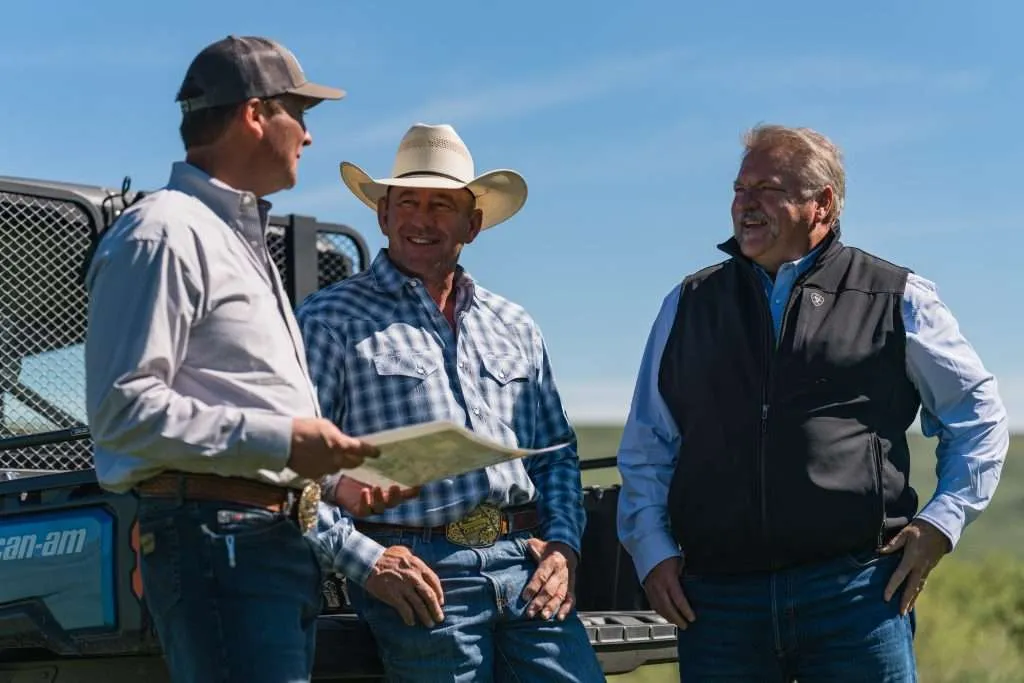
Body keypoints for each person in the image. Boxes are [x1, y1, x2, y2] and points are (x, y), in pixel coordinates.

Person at [616, 123, 1009, 682]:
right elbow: (649, 443)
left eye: (765, 189)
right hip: (718, 603)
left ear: (821, 203)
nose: (744, 205)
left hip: (855, 598)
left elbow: (978, 415)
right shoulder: (689, 303)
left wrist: (941, 524)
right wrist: (651, 550)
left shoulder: (894, 296)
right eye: (738, 188)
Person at [84, 35, 408, 683]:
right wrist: (284, 440)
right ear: (255, 115)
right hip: (219, 541)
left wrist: (331, 483)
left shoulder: (231, 237)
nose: (309, 138)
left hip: (258, 541)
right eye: (301, 115)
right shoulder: (164, 231)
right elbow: (123, 413)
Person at [296, 123, 605, 682]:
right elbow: (297, 468)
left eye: (442, 205)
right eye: (407, 202)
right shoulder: (328, 320)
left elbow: (557, 455)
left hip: (525, 562)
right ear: (383, 216)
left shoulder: (515, 324)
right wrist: (368, 565)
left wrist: (563, 548)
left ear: (474, 223)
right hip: (418, 571)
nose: (422, 219)